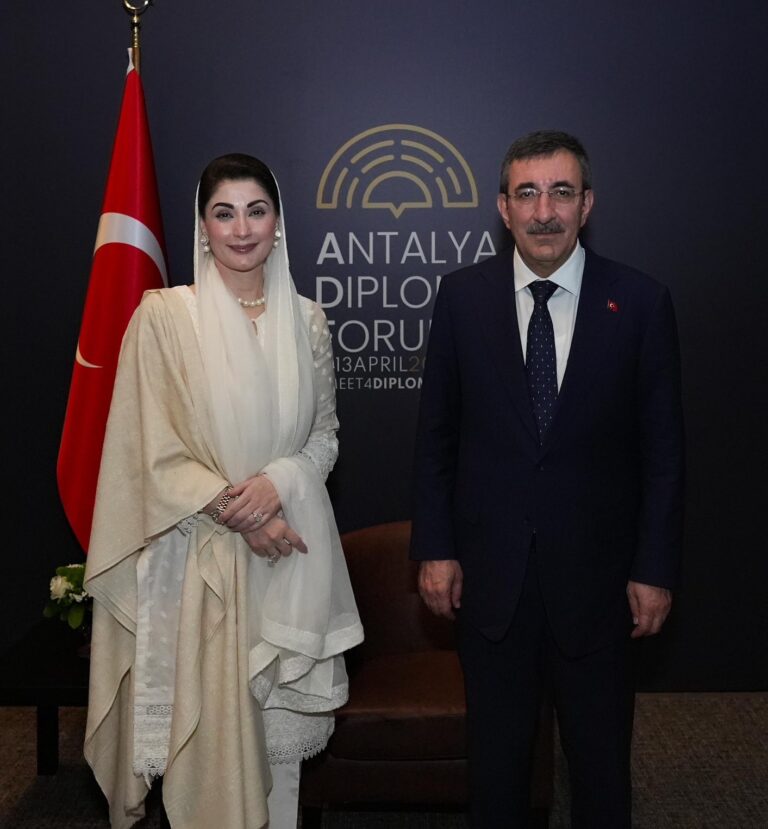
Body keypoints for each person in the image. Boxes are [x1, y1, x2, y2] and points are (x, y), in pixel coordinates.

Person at [410, 131, 684, 827]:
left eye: (561, 192)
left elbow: (663, 454)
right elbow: (436, 439)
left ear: (586, 204)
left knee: (600, 772)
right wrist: (435, 549)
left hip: (601, 587)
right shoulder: (461, 298)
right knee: (497, 774)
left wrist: (654, 568)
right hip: (491, 584)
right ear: (503, 208)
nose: (544, 211)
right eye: (527, 193)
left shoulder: (641, 302)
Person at [84, 153, 363, 829]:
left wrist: (277, 484)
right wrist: (242, 514)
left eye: (256, 211)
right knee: (210, 755)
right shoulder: (165, 318)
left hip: (289, 555)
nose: (242, 229)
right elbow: (148, 448)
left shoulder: (309, 320)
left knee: (279, 757)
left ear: (278, 222)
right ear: (203, 227)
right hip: (198, 559)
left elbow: (324, 436)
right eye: (224, 213)